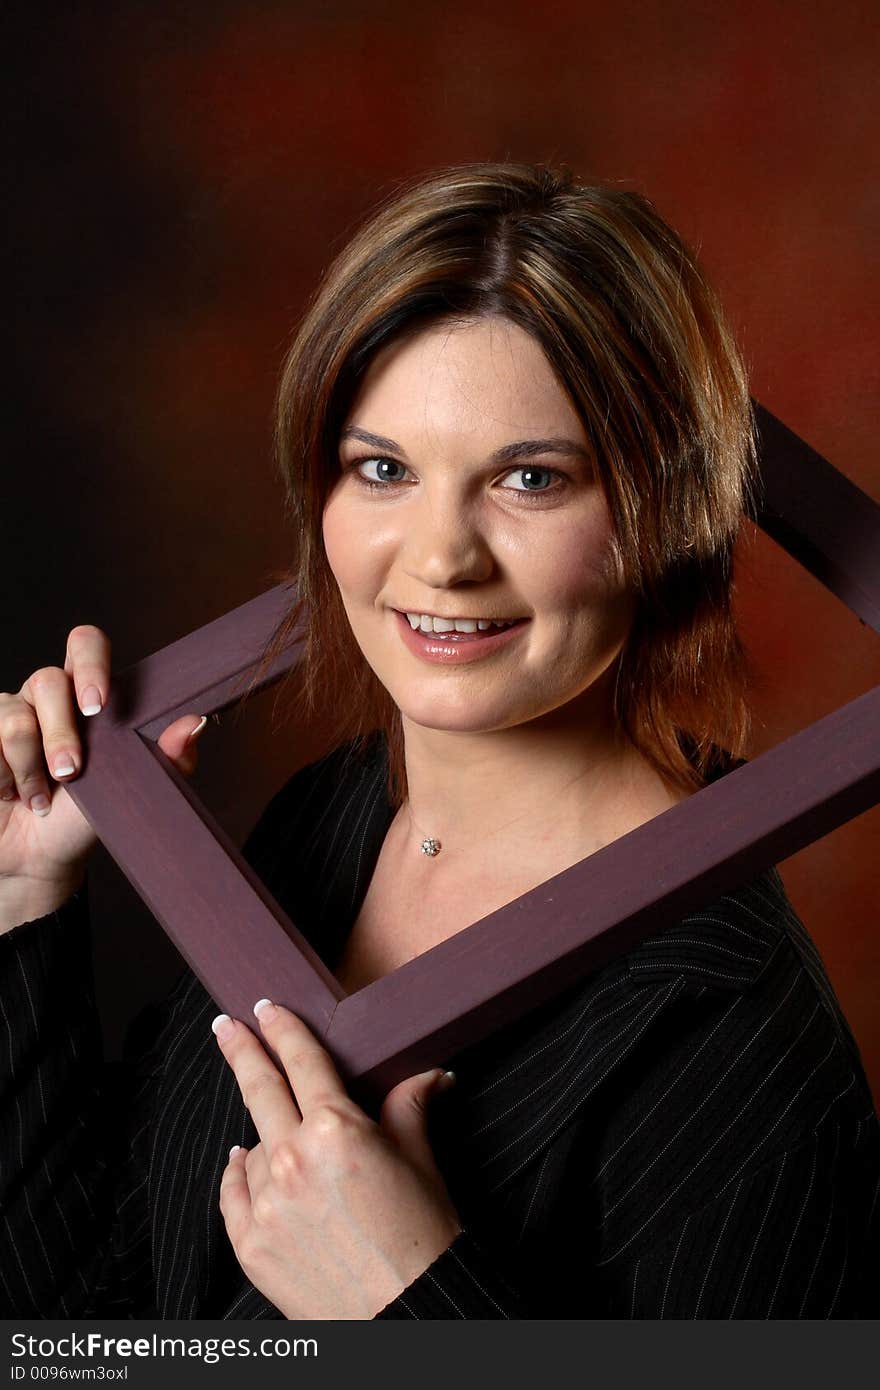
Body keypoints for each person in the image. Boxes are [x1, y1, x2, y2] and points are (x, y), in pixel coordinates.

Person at [1, 163, 877, 1320]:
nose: (437, 557)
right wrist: (23, 895)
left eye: (530, 477)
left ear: (667, 514)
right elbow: (92, 1322)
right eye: (383, 469)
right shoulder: (320, 824)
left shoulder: (731, 1036)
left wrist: (411, 1303)